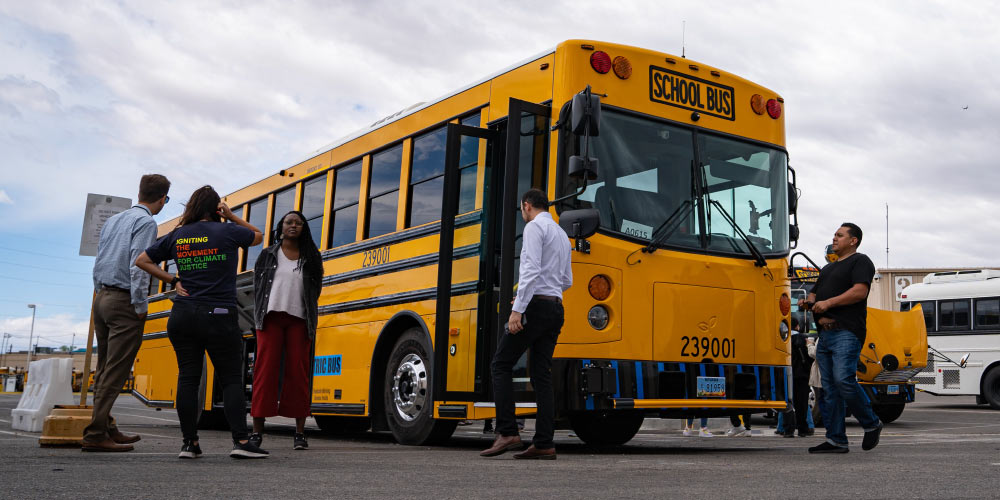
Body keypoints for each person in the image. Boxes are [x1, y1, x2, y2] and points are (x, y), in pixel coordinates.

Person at [136, 186, 266, 459]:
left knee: (188, 378)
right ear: (216, 208)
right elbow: (258, 236)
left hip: (183, 315)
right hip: (219, 314)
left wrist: (174, 281)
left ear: (192, 207)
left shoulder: (178, 235)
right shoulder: (229, 231)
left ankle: (189, 444)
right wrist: (231, 216)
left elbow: (142, 260)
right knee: (230, 379)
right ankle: (241, 442)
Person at [480, 189, 572, 460]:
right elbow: (567, 280)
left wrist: (518, 309)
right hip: (555, 307)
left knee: (501, 363)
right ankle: (544, 442)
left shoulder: (534, 228)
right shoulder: (562, 234)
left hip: (536, 307)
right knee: (541, 374)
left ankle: (507, 432)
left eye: (522, 210)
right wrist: (535, 294)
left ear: (527, 206)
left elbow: (530, 268)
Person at [83, 174, 170, 452]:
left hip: (102, 297)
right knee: (117, 370)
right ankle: (96, 434)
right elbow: (138, 264)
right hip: (123, 302)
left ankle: (106, 425)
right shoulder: (146, 222)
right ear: (162, 199)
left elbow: (100, 260)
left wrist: (99, 291)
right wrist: (140, 305)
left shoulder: (114, 220)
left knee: (105, 366)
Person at [799, 223, 882, 453]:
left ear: (853, 240)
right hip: (825, 335)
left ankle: (872, 423)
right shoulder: (828, 269)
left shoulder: (860, 261)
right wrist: (810, 301)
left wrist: (829, 303)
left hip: (846, 331)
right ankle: (836, 440)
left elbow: (859, 291)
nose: (834, 239)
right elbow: (815, 292)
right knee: (828, 389)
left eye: (839, 235)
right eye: (834, 235)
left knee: (843, 380)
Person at [249, 211, 323, 451]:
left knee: (298, 373)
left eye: (298, 223)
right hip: (270, 319)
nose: (293, 226)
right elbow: (258, 288)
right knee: (264, 372)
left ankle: (300, 433)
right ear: (281, 226)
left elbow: (315, 291)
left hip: (299, 320)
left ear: (304, 228)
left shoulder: (312, 257)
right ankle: (257, 432)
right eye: (289, 222)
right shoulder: (267, 254)